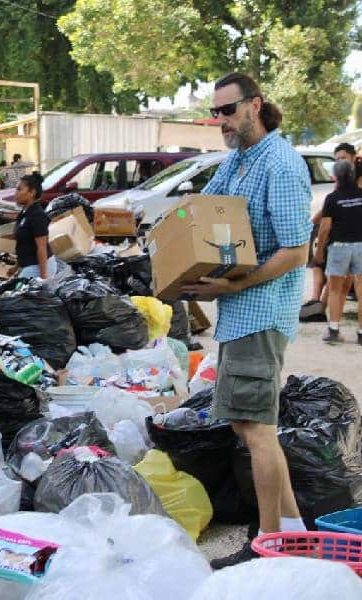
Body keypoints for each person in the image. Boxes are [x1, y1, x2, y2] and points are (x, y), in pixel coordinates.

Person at [180, 72, 310, 569]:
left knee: (256, 429)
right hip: (238, 315)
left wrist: (232, 285)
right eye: (215, 113)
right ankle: (294, 532)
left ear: (255, 105)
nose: (221, 121)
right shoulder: (236, 161)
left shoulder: (280, 164)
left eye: (228, 110)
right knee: (247, 425)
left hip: (261, 311)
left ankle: (269, 547)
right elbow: (197, 213)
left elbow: (296, 251)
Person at [301, 142, 359, 319]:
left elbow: (335, 206)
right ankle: (317, 304)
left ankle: (323, 310)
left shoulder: (355, 175)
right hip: (343, 231)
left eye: (344, 158)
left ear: (354, 157)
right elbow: (332, 204)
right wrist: (312, 224)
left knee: (338, 277)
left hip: (352, 233)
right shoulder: (342, 177)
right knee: (319, 263)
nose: (340, 162)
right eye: (338, 160)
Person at [314, 159, 362, 345]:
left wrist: (319, 252)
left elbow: (324, 228)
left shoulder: (332, 198)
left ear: (335, 177)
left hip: (339, 247)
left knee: (335, 289)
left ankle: (334, 330)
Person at [14, 172, 56, 279]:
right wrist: (16, 267)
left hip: (39, 267)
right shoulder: (24, 213)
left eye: (19, 189)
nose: (16, 193)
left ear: (32, 192)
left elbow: (41, 248)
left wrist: (43, 277)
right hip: (28, 265)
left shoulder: (37, 215)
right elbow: (23, 245)